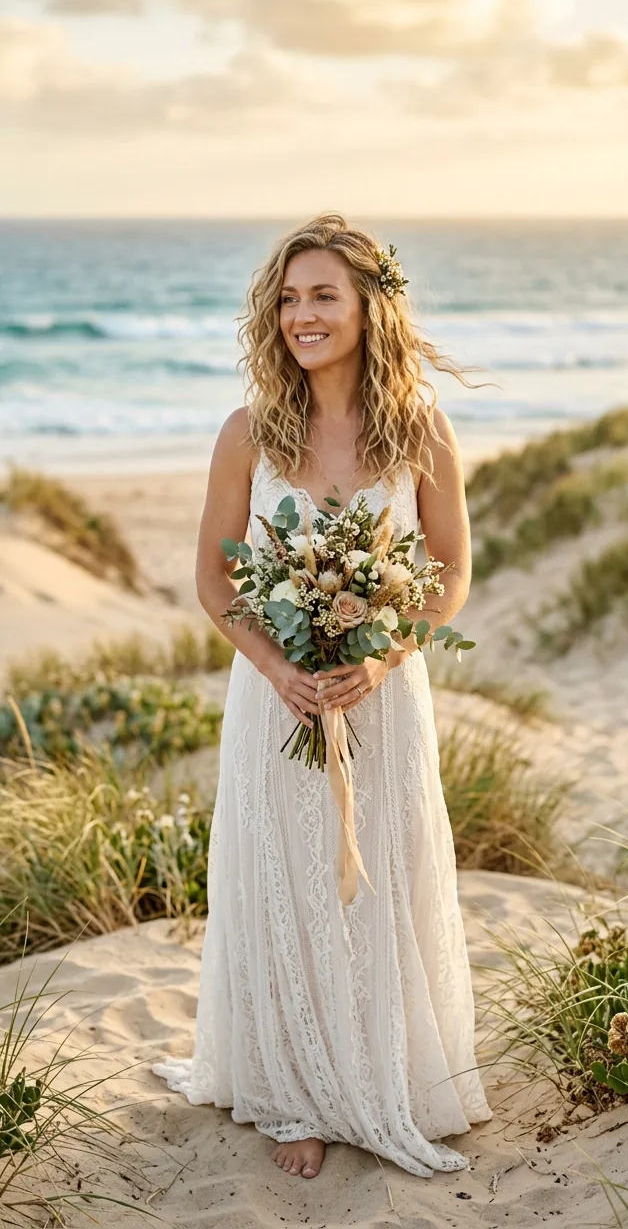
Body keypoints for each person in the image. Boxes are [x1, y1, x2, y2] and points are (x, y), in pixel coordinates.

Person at [152, 212, 492, 1180]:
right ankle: (290, 1089)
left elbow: (451, 568)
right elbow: (217, 580)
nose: (302, 314)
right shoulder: (247, 432)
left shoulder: (418, 427)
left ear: (367, 306)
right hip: (276, 696)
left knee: (377, 878)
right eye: (289, 298)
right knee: (284, 880)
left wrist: (380, 655)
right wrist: (278, 669)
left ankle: (381, 1069)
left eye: (323, 296)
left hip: (382, 694)